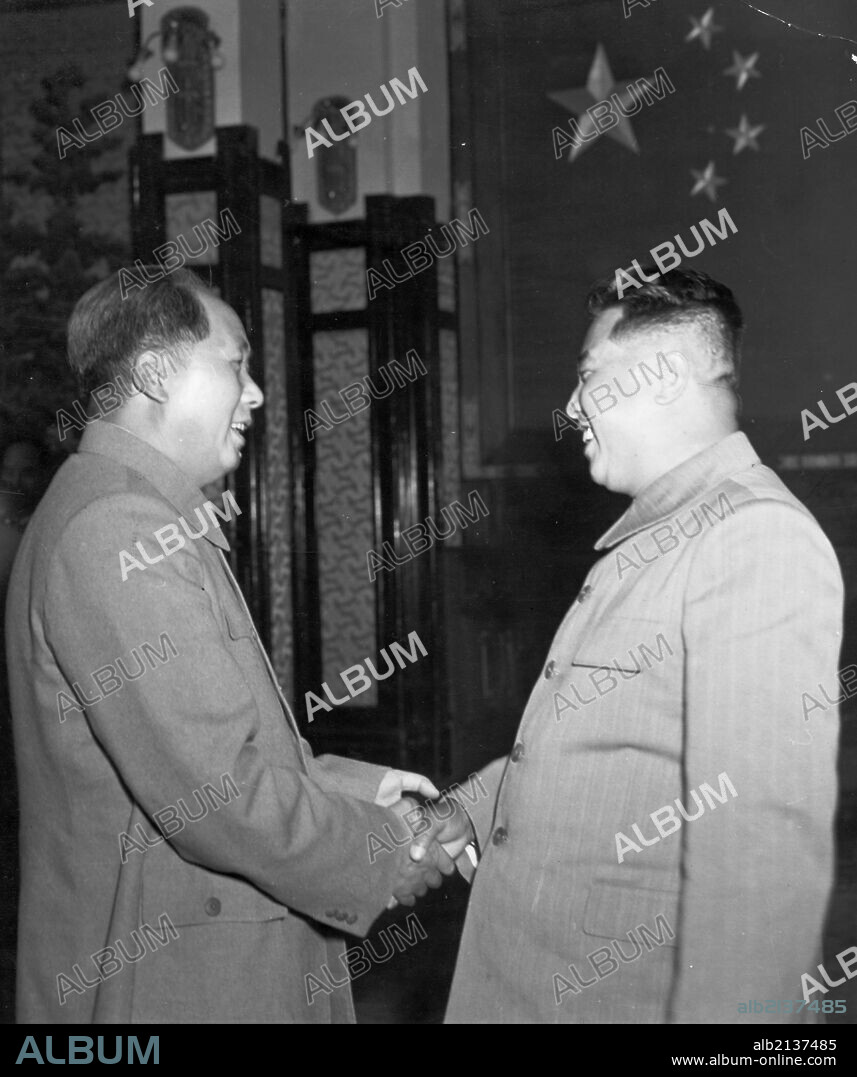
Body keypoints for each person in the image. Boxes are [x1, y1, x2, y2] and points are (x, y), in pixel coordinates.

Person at [6, 267, 471, 1024]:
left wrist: (366, 790)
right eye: (235, 364)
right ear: (155, 373)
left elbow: (206, 756)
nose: (254, 393)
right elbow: (220, 795)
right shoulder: (120, 527)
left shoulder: (127, 507)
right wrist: (389, 853)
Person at [441, 267, 843, 1024]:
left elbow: (758, 862)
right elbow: (618, 743)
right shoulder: (660, 532)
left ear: (663, 378)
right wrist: (471, 805)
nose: (569, 408)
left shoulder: (753, 536)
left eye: (589, 378)